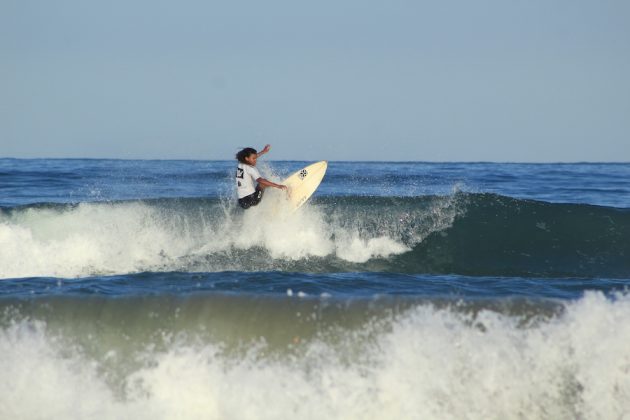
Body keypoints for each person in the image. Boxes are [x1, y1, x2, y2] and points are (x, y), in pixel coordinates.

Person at [235, 144, 287, 209]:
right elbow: (260, 180)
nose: (255, 160)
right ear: (247, 159)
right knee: (263, 183)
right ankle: (281, 193)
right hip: (252, 200)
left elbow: (253, 156)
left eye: (255, 158)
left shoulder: (240, 164)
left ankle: (274, 195)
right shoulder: (251, 169)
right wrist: (278, 186)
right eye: (253, 159)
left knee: (264, 184)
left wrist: (263, 151)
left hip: (241, 202)